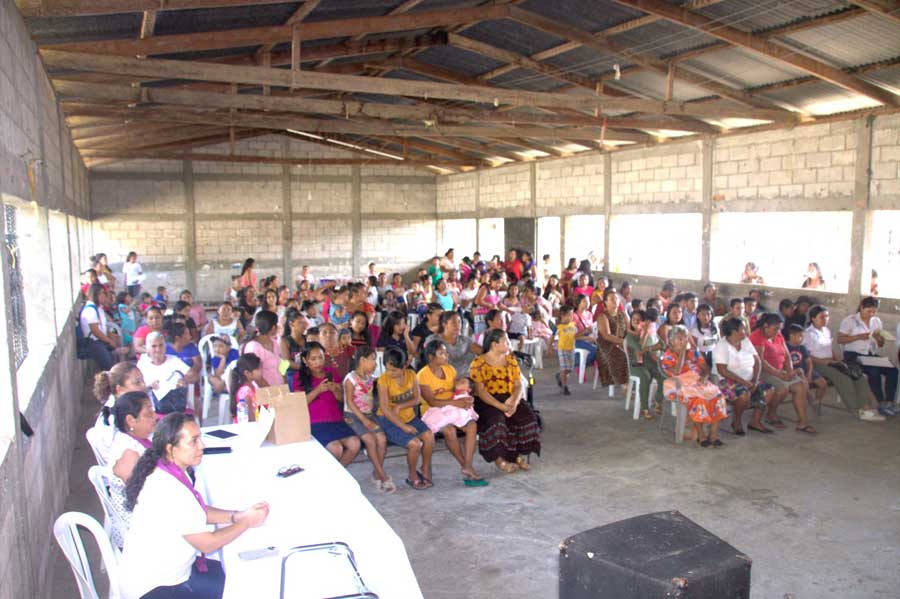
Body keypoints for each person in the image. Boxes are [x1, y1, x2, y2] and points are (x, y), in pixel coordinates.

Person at [120, 413, 269, 599]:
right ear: (171, 449)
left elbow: (195, 510)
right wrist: (246, 522)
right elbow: (207, 544)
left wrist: (236, 516)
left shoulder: (167, 469)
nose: (202, 446)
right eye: (194, 441)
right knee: (244, 587)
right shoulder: (168, 488)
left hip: (169, 573)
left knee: (240, 578)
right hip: (154, 588)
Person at [469, 329, 541, 473]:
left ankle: (517, 456)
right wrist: (501, 406)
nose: (509, 344)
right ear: (494, 344)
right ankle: (500, 460)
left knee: (528, 418)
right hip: (487, 401)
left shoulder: (510, 360)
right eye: (506, 341)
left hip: (508, 397)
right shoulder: (478, 363)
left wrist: (514, 401)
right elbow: (481, 391)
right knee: (497, 422)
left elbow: (518, 384)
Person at [417, 339, 485, 487]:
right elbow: (432, 402)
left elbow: (457, 391)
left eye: (446, 352)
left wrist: (466, 397)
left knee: (472, 425)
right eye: (442, 353)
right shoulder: (423, 375)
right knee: (449, 430)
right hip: (434, 412)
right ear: (431, 357)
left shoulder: (450, 369)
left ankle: (468, 464)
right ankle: (465, 466)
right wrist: (456, 403)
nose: (446, 355)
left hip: (452, 409)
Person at [802, 305, 884, 421]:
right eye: (822, 317)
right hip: (816, 363)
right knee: (843, 378)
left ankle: (865, 406)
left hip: (831, 362)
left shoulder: (826, 331)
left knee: (857, 375)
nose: (825, 319)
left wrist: (838, 361)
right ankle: (856, 408)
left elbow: (829, 349)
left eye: (827, 316)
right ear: (813, 319)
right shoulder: (807, 334)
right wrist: (826, 362)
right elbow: (807, 356)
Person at [377, 347, 435, 490]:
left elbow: (417, 399)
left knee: (429, 436)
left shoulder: (411, 375)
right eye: (388, 369)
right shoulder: (383, 380)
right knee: (414, 444)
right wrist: (403, 426)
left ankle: (425, 468)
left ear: (404, 366)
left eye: (394, 370)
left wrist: (400, 406)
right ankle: (412, 476)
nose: (390, 373)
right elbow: (385, 408)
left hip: (409, 416)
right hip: (388, 419)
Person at [104, 391, 157, 548]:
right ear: (130, 420)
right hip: (137, 534)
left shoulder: (139, 440)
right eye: (148, 414)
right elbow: (143, 497)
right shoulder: (128, 453)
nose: (155, 417)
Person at [750, 313, 816, 434]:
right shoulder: (757, 336)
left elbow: (786, 355)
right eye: (775, 329)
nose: (778, 332)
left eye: (779, 329)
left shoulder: (778, 334)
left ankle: (803, 422)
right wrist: (779, 374)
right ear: (765, 326)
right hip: (762, 371)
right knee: (781, 389)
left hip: (779, 370)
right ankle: (771, 414)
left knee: (800, 386)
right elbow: (761, 362)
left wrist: (790, 371)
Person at [660, 326, 727, 446]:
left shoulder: (693, 352)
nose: (683, 341)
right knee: (698, 400)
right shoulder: (667, 356)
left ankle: (713, 434)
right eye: (679, 338)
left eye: (685, 337)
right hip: (678, 384)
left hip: (696, 382)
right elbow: (677, 371)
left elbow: (706, 367)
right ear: (671, 341)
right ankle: (701, 435)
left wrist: (704, 377)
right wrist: (682, 352)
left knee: (718, 396)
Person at [296, 342, 361, 465]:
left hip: (336, 420)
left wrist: (335, 390)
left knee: (355, 444)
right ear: (305, 360)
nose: (318, 362)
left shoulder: (331, 372)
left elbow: (342, 399)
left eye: (320, 357)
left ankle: (338, 472)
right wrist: (317, 390)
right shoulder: (299, 377)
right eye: (313, 359)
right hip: (315, 422)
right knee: (336, 449)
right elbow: (299, 403)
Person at [343, 346, 394, 492]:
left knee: (382, 440)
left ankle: (376, 473)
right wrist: (364, 420)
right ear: (362, 360)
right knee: (370, 441)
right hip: (353, 416)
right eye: (373, 360)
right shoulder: (350, 379)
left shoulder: (370, 378)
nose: (375, 364)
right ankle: (382, 475)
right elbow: (350, 402)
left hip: (369, 415)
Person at [838, 296, 899, 416]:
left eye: (874, 311)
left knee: (893, 370)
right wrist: (859, 337)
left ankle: (889, 402)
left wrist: (879, 339)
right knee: (874, 371)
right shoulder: (850, 320)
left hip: (870, 355)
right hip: (853, 355)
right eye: (868, 311)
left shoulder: (876, 321)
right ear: (861, 307)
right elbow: (840, 339)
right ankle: (880, 403)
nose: (871, 314)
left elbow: (880, 345)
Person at [714, 318, 775, 435]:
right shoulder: (722, 346)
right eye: (743, 329)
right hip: (728, 381)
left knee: (769, 390)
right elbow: (722, 371)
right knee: (743, 395)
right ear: (734, 331)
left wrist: (755, 380)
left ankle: (755, 421)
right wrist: (745, 383)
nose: (746, 331)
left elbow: (757, 361)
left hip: (750, 380)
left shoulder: (746, 341)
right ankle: (736, 421)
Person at [92, 362, 148, 464]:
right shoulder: (112, 419)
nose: (143, 385)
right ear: (119, 389)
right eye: (137, 382)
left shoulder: (125, 406)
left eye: (143, 380)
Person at [139, 332, 199, 415]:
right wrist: (149, 387)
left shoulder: (174, 360)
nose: (158, 349)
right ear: (147, 349)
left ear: (165, 347)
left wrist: (184, 380)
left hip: (176, 406)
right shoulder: (142, 364)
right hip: (151, 408)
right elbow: (136, 390)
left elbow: (195, 376)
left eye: (161, 345)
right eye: (154, 346)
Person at [624, 310, 665, 419]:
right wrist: (646, 333)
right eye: (634, 319)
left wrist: (650, 347)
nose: (636, 322)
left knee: (663, 375)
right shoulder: (630, 337)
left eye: (639, 319)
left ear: (645, 321)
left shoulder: (652, 331)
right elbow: (640, 349)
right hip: (636, 365)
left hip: (651, 362)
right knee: (645, 376)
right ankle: (645, 408)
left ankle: (658, 401)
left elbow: (662, 344)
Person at [785, 324, 827, 410]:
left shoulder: (802, 347)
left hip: (805, 370)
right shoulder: (785, 347)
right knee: (803, 382)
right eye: (800, 336)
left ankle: (817, 402)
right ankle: (810, 399)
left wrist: (809, 373)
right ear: (792, 336)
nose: (802, 338)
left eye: (802, 336)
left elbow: (809, 363)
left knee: (823, 383)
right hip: (794, 371)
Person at [425, 311, 479, 378]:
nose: (458, 325)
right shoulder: (433, 340)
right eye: (454, 323)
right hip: (443, 377)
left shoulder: (465, 340)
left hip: (466, 378)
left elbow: (482, 352)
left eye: (459, 322)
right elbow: (429, 359)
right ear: (444, 324)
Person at [81, 283, 121, 370]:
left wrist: (111, 335)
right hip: (94, 342)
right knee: (108, 367)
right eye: (101, 293)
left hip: (99, 341)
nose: (104, 296)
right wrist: (109, 341)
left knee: (112, 364)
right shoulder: (90, 310)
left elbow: (101, 327)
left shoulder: (98, 308)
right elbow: (95, 331)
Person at [595, 288, 630, 388]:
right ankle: (625, 385)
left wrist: (638, 335)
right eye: (612, 299)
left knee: (636, 355)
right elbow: (606, 335)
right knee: (622, 356)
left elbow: (628, 331)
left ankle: (632, 382)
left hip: (623, 344)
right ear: (605, 302)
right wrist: (623, 342)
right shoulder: (602, 316)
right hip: (607, 347)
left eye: (617, 299)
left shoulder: (623, 314)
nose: (615, 301)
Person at [242, 310, 283, 387]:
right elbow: (256, 376)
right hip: (263, 391)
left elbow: (282, 363)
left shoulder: (274, 342)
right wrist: (270, 391)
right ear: (273, 327)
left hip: (279, 387)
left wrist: (285, 382)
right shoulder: (253, 346)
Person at [229, 353, 264, 422]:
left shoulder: (250, 385)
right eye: (258, 368)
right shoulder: (245, 391)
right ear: (247, 373)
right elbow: (250, 419)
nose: (261, 371)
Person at [572, 294, 597, 371]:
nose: (587, 303)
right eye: (584, 301)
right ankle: (579, 365)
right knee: (595, 350)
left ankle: (583, 364)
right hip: (578, 340)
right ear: (578, 303)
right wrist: (586, 334)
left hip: (589, 338)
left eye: (588, 301)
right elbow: (573, 336)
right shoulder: (574, 316)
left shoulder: (589, 314)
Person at [690, 303, 719, 368]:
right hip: (702, 358)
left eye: (708, 314)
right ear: (697, 315)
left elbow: (718, 343)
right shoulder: (694, 331)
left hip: (715, 357)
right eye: (703, 314)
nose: (706, 317)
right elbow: (694, 349)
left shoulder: (715, 328)